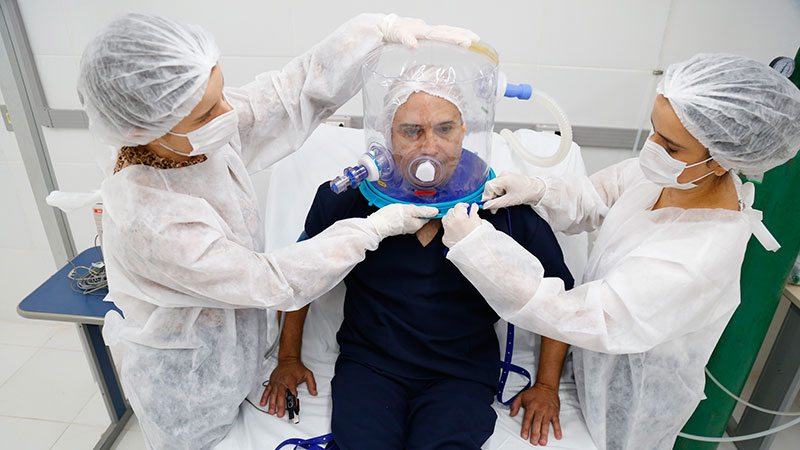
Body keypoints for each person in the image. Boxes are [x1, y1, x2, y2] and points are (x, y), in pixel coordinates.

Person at [77, 12, 480, 450]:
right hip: (191, 387)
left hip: (247, 358)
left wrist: (373, 30)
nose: (228, 112)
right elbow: (273, 280)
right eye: (209, 111)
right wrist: (373, 228)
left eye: (221, 92)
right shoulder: (149, 221)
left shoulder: (193, 137)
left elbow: (293, 92)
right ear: (143, 128)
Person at [440, 53, 800, 449]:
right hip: (585, 364)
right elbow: (594, 195)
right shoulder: (669, 177)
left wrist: (480, 252)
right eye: (654, 130)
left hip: (630, 399)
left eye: (671, 145)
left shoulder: (698, 256)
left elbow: (579, 316)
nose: (652, 148)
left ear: (723, 161)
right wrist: (539, 190)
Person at [260, 70, 575, 449]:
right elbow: (303, 271)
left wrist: (546, 385)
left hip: (460, 374)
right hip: (371, 366)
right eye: (411, 131)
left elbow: (561, 295)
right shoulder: (348, 199)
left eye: (445, 129)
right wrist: (288, 357)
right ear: (387, 134)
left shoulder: (502, 207)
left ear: (464, 131)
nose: (430, 147)